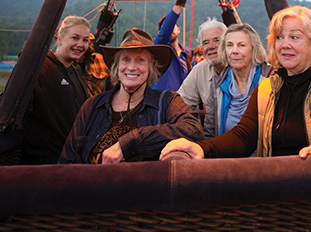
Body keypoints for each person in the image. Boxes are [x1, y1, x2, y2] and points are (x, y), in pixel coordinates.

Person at [160, 6, 311, 164]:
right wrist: (201, 148)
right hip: (277, 200)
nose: (285, 45)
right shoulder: (268, 89)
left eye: (294, 37)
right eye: (279, 38)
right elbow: (243, 137)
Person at [59, 27, 204, 164]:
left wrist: (131, 141)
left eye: (140, 60)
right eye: (126, 59)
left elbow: (193, 129)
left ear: (151, 68)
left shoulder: (167, 101)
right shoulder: (93, 105)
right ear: (117, 66)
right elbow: (68, 159)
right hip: (90, 187)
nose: (131, 67)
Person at [21, 16, 92, 164]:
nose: (80, 44)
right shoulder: (40, 67)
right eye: (75, 38)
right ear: (59, 39)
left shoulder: (75, 72)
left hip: (72, 158)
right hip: (44, 162)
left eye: (85, 40)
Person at [203, 23, 270, 138]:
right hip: (226, 153)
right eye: (229, 45)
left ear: (254, 49)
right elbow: (210, 132)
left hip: (262, 155)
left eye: (241, 45)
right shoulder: (218, 85)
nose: (234, 51)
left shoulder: (270, 79)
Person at [178, 18, 227, 111]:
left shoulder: (240, 66)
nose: (211, 46)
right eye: (205, 43)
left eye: (216, 40)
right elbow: (180, 104)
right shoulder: (200, 70)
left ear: (228, 42)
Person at [151, 0, 194, 91]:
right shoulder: (159, 51)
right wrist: (178, 4)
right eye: (164, 27)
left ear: (179, 30)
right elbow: (165, 33)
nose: (169, 29)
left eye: (172, 26)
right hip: (164, 104)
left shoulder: (189, 54)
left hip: (188, 104)